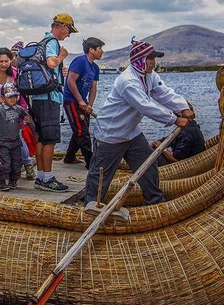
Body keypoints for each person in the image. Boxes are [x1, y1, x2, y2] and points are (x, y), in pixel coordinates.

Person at [84, 38, 193, 206]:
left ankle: (155, 201)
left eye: (154, 59)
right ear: (140, 60)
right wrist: (175, 119)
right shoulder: (127, 81)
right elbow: (145, 106)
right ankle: (90, 205)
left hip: (131, 132)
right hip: (111, 134)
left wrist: (183, 107)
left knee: (148, 165)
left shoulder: (148, 75)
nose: (153, 63)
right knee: (100, 174)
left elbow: (164, 93)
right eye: (150, 59)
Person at [29, 13, 76, 192]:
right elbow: (50, 62)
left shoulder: (41, 42)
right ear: (62, 27)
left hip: (38, 99)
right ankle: (48, 179)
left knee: (41, 139)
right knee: (50, 141)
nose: (69, 34)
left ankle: (41, 176)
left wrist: (58, 71)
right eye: (69, 30)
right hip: (49, 99)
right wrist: (62, 56)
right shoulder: (52, 43)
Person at [63, 37, 104, 167]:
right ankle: (90, 162)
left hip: (83, 103)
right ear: (91, 50)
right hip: (72, 101)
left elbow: (93, 87)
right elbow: (70, 81)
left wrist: (89, 105)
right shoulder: (80, 61)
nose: (102, 51)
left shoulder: (95, 68)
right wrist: (80, 101)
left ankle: (69, 157)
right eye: (100, 48)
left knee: (80, 128)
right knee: (82, 132)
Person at [0, 82, 29, 191]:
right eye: (9, 97)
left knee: (17, 164)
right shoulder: (0, 109)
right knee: (5, 164)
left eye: (14, 96)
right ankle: (1, 181)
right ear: (3, 97)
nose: (12, 99)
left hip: (15, 141)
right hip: (3, 142)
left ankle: (13, 181)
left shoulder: (18, 108)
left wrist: (27, 119)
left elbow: (26, 117)